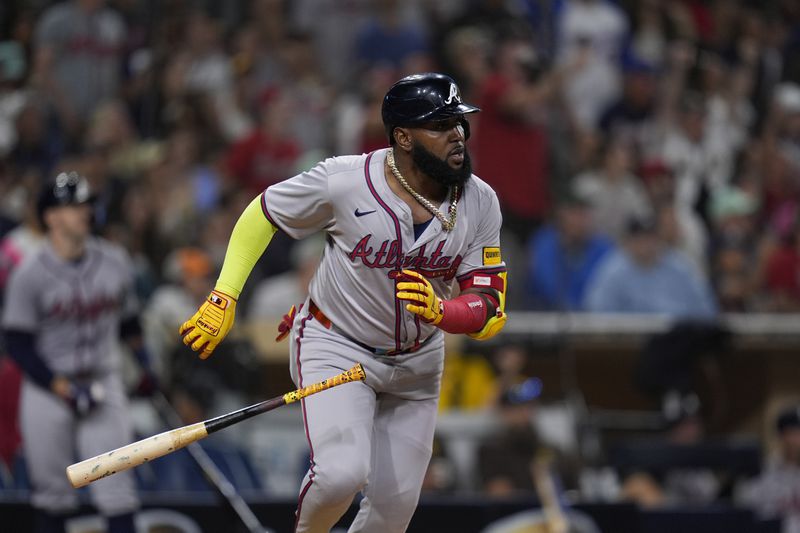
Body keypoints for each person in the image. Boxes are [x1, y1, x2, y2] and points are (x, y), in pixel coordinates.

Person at [178, 72, 508, 532]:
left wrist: (444, 312)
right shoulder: (345, 181)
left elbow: (489, 309)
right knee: (340, 476)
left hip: (417, 362)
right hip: (337, 344)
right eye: (441, 125)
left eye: (460, 122)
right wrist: (224, 294)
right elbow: (264, 212)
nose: (458, 134)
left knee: (393, 511)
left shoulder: (480, 201)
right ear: (403, 138)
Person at [1, 172, 157, 533]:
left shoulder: (116, 260)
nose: (84, 212)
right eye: (72, 206)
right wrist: (60, 387)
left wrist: (146, 366)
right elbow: (18, 344)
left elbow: (129, 323)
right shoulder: (29, 272)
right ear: (50, 216)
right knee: (52, 494)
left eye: (87, 204)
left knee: (117, 490)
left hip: (102, 381)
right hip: (47, 389)